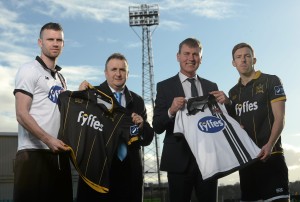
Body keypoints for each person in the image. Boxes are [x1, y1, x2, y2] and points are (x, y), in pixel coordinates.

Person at [211, 42, 290, 201]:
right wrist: (227, 104)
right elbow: (235, 124)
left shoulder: (271, 81)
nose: (243, 60)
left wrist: (270, 144)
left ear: (254, 60)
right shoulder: (233, 93)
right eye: (239, 57)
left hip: (271, 156)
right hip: (247, 162)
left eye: (247, 56)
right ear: (234, 63)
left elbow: (280, 118)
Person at [76, 53, 154, 202]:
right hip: (100, 171)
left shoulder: (137, 100)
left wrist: (142, 126)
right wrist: (80, 97)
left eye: (122, 70)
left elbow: (148, 138)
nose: (118, 74)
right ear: (106, 73)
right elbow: (80, 128)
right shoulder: (92, 95)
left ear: (128, 73)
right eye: (113, 69)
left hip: (129, 173)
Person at [152, 37, 218, 202]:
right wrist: (171, 110)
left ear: (200, 59)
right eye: (186, 53)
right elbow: (157, 126)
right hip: (178, 161)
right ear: (178, 56)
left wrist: (226, 104)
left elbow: (219, 122)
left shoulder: (212, 87)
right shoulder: (164, 87)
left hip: (208, 160)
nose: (191, 58)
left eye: (195, 54)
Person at [13, 22, 73, 202]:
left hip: (58, 154)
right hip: (33, 154)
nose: (55, 43)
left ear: (63, 44)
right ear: (40, 42)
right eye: (50, 39)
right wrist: (48, 139)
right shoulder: (28, 69)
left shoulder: (61, 78)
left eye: (59, 40)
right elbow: (21, 113)